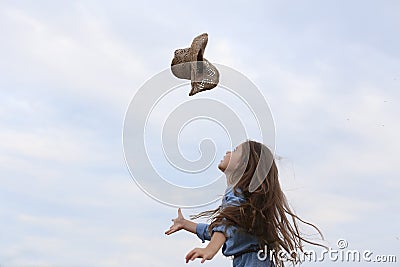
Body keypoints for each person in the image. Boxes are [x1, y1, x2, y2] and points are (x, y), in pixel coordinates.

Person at [165, 139, 325, 266]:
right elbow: (220, 230)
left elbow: (225, 225)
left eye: (235, 151)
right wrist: (185, 224)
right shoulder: (242, 198)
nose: (228, 152)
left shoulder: (236, 191)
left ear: (244, 164)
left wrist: (210, 249)